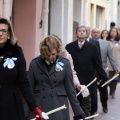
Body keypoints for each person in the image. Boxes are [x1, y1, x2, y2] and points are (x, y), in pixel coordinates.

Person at [27, 35, 86, 120]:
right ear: (43, 52)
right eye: (48, 54)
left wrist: (79, 112)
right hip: (40, 106)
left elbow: (70, 90)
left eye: (53, 54)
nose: (51, 57)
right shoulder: (34, 64)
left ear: (58, 51)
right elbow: (29, 89)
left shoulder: (65, 63)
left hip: (59, 105)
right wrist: (25, 112)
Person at [0, 18, 48, 120]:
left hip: (10, 103)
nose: (0, 34)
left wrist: (35, 108)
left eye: (4, 31)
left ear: (9, 34)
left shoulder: (17, 54)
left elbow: (24, 83)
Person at [65, 26, 108, 118]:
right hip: (74, 81)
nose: (81, 32)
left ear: (87, 34)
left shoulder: (93, 47)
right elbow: (66, 64)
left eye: (83, 31)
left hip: (89, 81)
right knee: (76, 105)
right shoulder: (69, 47)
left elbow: (98, 64)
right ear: (76, 33)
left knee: (88, 105)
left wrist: (104, 77)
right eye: (79, 31)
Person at [91, 28, 119, 113]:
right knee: (93, 92)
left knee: (103, 91)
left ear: (100, 34)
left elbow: (111, 57)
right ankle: (94, 108)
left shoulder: (106, 44)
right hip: (91, 71)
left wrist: (116, 67)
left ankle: (104, 105)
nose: (96, 34)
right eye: (94, 32)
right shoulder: (88, 43)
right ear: (91, 34)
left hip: (103, 70)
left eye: (97, 32)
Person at [107, 27, 120, 99]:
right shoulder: (107, 41)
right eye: (112, 31)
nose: (113, 32)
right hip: (108, 62)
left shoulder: (119, 41)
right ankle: (111, 88)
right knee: (108, 78)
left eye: (115, 31)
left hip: (117, 62)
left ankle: (113, 91)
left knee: (115, 78)